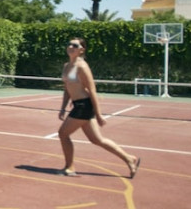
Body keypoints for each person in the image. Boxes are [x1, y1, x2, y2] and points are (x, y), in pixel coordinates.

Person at [57, 37, 140, 178]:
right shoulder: (67, 66)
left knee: (63, 134)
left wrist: (99, 114)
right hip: (78, 104)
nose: (70, 47)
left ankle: (69, 167)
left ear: (81, 50)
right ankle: (129, 159)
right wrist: (63, 107)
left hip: (84, 105)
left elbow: (92, 90)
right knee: (97, 139)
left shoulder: (82, 67)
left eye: (75, 45)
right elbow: (67, 88)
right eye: (69, 44)